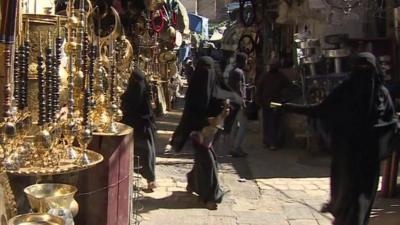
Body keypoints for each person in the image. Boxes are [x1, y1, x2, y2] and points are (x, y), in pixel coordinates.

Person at [278, 52, 398, 225]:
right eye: (360, 69)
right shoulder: (345, 91)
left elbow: (391, 122)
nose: (363, 75)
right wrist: (292, 108)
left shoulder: (382, 94)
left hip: (367, 161)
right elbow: (321, 110)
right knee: (345, 197)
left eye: (367, 70)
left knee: (362, 202)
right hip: (347, 157)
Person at [170, 56, 241, 209]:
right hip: (197, 130)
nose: (206, 74)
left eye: (208, 70)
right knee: (208, 161)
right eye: (203, 71)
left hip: (213, 131)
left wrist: (226, 108)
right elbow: (191, 114)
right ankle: (210, 196)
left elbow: (233, 98)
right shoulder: (194, 90)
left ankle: (193, 181)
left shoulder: (216, 84)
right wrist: (204, 121)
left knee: (203, 160)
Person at [121, 68, 157, 191]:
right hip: (131, 129)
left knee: (147, 155)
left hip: (143, 129)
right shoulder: (129, 95)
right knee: (130, 155)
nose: (138, 85)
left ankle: (150, 180)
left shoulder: (145, 96)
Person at [256, 60, 293, 150]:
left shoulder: (273, 76)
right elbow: (259, 88)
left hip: (270, 102)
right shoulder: (274, 76)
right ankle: (270, 142)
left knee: (270, 121)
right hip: (271, 102)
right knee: (271, 122)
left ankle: (269, 142)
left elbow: (289, 87)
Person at [228, 52, 249, 157]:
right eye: (246, 61)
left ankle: (233, 147)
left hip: (232, 101)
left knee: (235, 125)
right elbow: (239, 89)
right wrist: (243, 102)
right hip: (237, 102)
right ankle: (236, 148)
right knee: (243, 125)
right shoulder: (239, 72)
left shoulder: (233, 71)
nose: (247, 62)